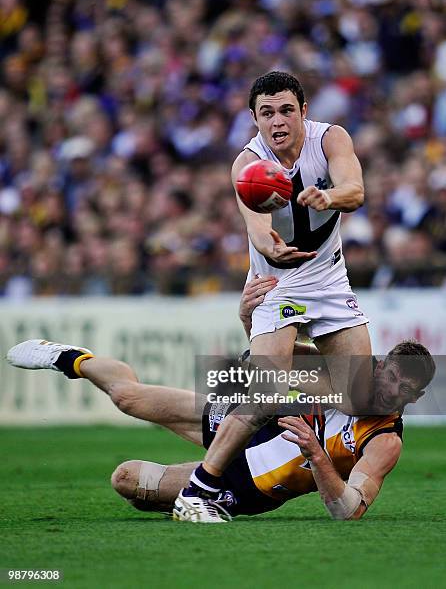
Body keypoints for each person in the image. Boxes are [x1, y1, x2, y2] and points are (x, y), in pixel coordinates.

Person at [6, 281, 435, 523]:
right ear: (380, 365)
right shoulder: (346, 374)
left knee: (128, 483)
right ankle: (67, 357)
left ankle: (185, 494)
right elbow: (262, 358)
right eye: (388, 374)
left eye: (401, 388)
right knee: (128, 397)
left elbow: (348, 511)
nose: (387, 387)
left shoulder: (384, 441)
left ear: (413, 398)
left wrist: (316, 453)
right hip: (245, 423)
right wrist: (252, 319)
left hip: (251, 485)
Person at [177, 71, 374, 520]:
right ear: (254, 119)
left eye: (287, 109)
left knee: (360, 396)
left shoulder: (330, 140)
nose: (278, 121)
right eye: (267, 113)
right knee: (266, 391)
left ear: (304, 111)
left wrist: (330, 198)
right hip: (277, 283)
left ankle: (264, 361)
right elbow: (258, 233)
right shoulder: (248, 164)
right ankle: (197, 490)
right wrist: (273, 249)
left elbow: (355, 189)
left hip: (328, 281)